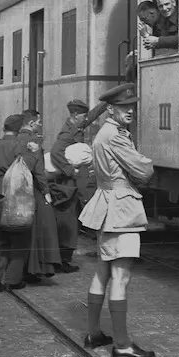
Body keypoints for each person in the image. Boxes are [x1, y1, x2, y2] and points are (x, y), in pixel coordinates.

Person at [78, 84, 155, 357]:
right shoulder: (115, 136)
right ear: (111, 109)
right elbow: (144, 169)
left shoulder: (105, 133)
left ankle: (94, 333)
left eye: (132, 106)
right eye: (124, 107)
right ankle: (122, 345)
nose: (130, 110)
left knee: (103, 271)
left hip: (107, 206)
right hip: (121, 209)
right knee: (121, 276)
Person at [0, 114, 41, 291]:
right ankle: (13, 280)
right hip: (17, 196)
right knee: (20, 238)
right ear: (20, 129)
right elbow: (27, 168)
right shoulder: (20, 146)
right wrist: (35, 152)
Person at [49, 99, 107, 273]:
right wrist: (70, 171)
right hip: (68, 186)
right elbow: (55, 152)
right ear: (74, 115)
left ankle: (63, 258)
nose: (86, 119)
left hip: (74, 185)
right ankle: (63, 260)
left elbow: (92, 115)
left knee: (72, 222)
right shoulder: (67, 134)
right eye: (83, 115)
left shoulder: (77, 125)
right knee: (68, 224)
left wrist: (106, 102)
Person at [19, 109, 62, 281]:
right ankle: (37, 268)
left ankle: (25, 268)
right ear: (31, 123)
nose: (40, 124)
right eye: (38, 122)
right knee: (42, 227)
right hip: (35, 189)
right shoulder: (33, 141)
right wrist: (46, 192)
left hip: (20, 189)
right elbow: (39, 172)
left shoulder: (17, 138)